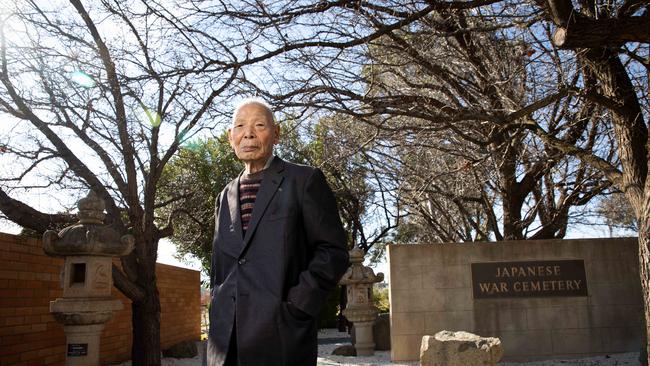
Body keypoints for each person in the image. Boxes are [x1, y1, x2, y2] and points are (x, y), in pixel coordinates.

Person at [207, 98, 350, 366]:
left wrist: (297, 306)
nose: (248, 133)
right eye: (239, 126)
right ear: (230, 137)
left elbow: (333, 251)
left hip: (281, 333)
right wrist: (216, 304)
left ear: (277, 133)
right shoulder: (224, 195)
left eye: (259, 125)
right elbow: (220, 265)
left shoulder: (304, 180)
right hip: (225, 339)